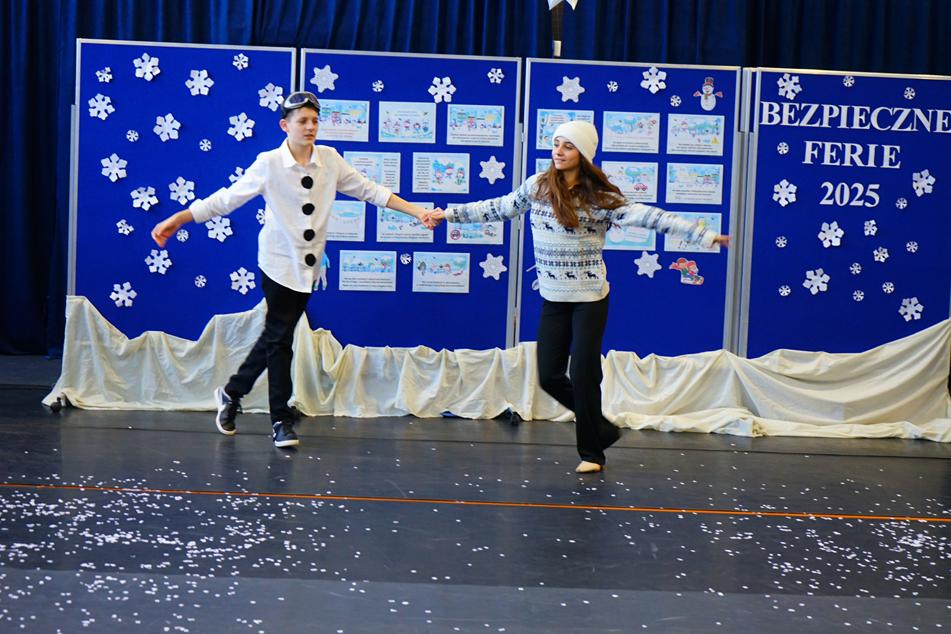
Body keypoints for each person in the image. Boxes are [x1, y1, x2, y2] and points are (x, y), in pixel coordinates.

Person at [427, 120, 729, 473]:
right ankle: (601, 427)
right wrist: (447, 214)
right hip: (554, 296)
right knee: (549, 376)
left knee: (585, 374)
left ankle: (592, 453)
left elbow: (649, 217)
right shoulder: (538, 187)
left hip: (590, 298)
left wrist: (702, 235)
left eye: (568, 146)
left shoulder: (600, 198)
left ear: (583, 154)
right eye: (556, 144)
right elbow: (498, 207)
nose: (558, 151)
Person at [151, 91, 435, 448]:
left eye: (315, 120)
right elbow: (226, 200)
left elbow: (371, 191)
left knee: (278, 336)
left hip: (309, 267)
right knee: (280, 339)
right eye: (302, 121)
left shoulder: (330, 160)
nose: (310, 127)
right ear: (285, 126)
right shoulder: (269, 163)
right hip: (277, 263)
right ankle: (280, 420)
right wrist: (180, 218)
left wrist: (417, 211)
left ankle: (233, 392)